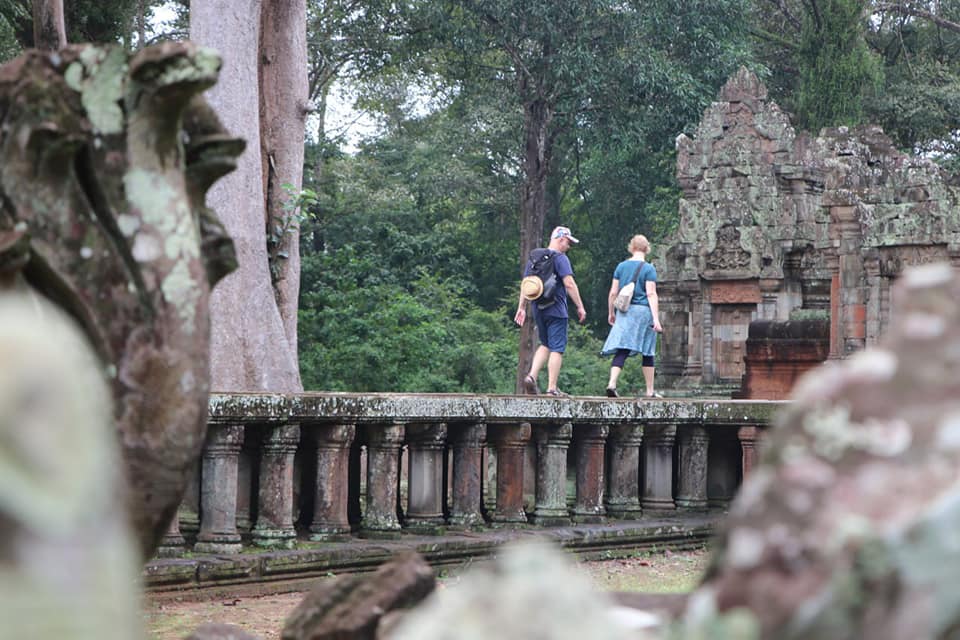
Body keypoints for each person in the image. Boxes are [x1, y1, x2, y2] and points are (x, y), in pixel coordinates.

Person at [514, 226, 587, 397]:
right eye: (568, 242)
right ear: (561, 239)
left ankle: (531, 377)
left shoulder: (535, 258)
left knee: (546, 344)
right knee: (557, 348)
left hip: (538, 308)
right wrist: (580, 306)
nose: (568, 246)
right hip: (556, 309)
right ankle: (552, 388)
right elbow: (569, 283)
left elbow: (526, 284)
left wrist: (521, 307)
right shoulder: (560, 258)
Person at [600, 234, 663, 398]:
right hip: (643, 312)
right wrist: (656, 319)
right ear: (647, 249)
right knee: (648, 350)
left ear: (632, 247)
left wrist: (611, 312)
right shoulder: (648, 269)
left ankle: (612, 383)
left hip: (624, 311)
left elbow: (613, 292)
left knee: (623, 348)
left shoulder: (621, 267)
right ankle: (650, 391)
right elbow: (651, 294)